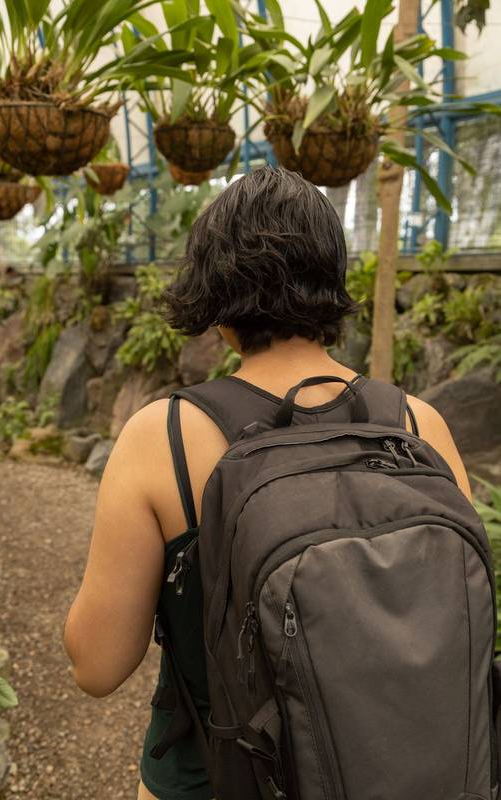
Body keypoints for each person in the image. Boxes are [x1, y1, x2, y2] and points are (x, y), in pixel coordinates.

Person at [64, 166, 471, 800]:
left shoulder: (164, 435)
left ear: (214, 292)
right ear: (332, 279)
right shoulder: (421, 425)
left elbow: (97, 666)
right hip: (402, 775)